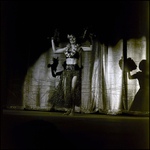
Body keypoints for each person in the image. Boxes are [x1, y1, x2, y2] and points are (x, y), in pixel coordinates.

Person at [49, 30, 93, 115]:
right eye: (70, 38)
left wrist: (91, 39)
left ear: (76, 38)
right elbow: (55, 51)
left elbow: (90, 49)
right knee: (67, 91)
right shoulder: (66, 48)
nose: (72, 39)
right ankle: (68, 109)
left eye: (73, 37)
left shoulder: (79, 48)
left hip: (75, 71)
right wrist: (52, 40)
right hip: (67, 71)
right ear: (69, 39)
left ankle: (72, 110)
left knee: (72, 90)